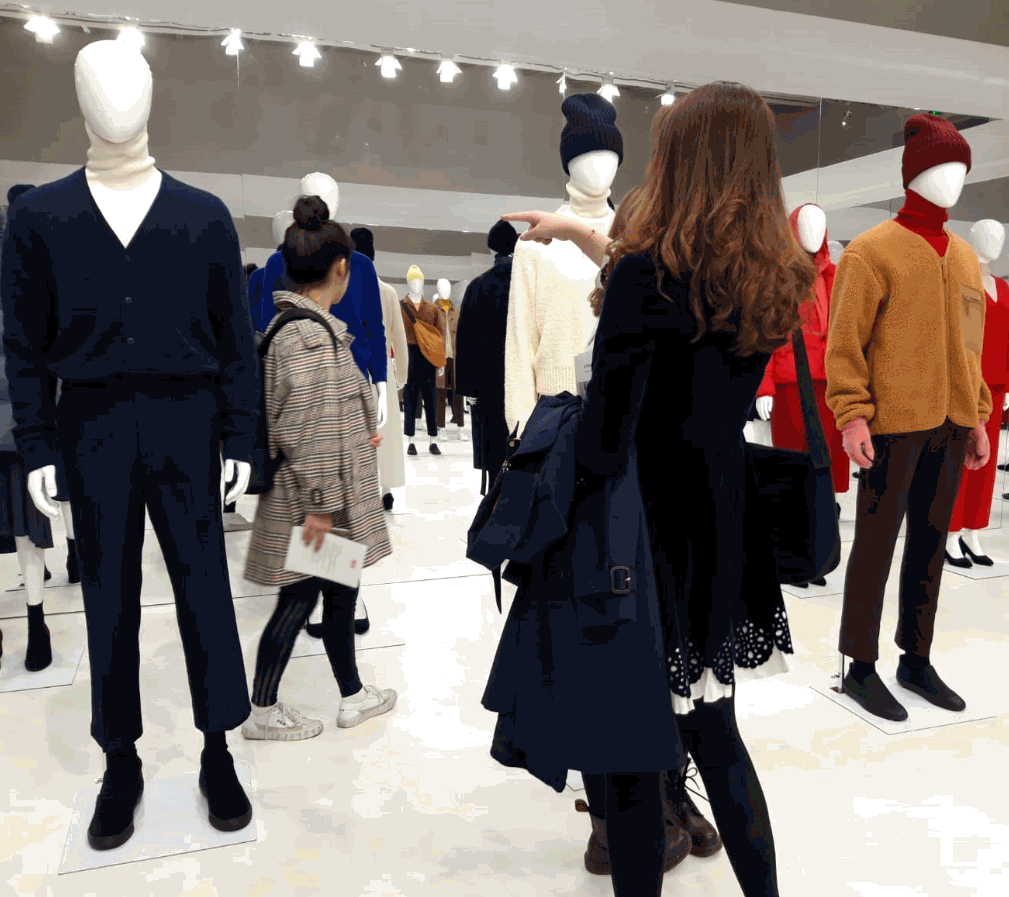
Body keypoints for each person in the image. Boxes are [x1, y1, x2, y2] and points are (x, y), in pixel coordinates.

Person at [502, 80, 817, 897]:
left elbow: (606, 437)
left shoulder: (646, 273)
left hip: (640, 533)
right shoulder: (773, 273)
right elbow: (682, 309)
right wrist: (584, 235)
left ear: (683, 156)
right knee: (717, 735)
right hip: (721, 518)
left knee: (631, 762)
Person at [242, 196, 396, 741]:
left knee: (334, 594)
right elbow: (307, 432)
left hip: (319, 495)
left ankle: (352, 696)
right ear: (341, 269)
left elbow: (320, 415)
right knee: (300, 600)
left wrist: (358, 428)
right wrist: (323, 509)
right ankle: (263, 711)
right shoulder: (308, 337)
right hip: (317, 502)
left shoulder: (306, 328)